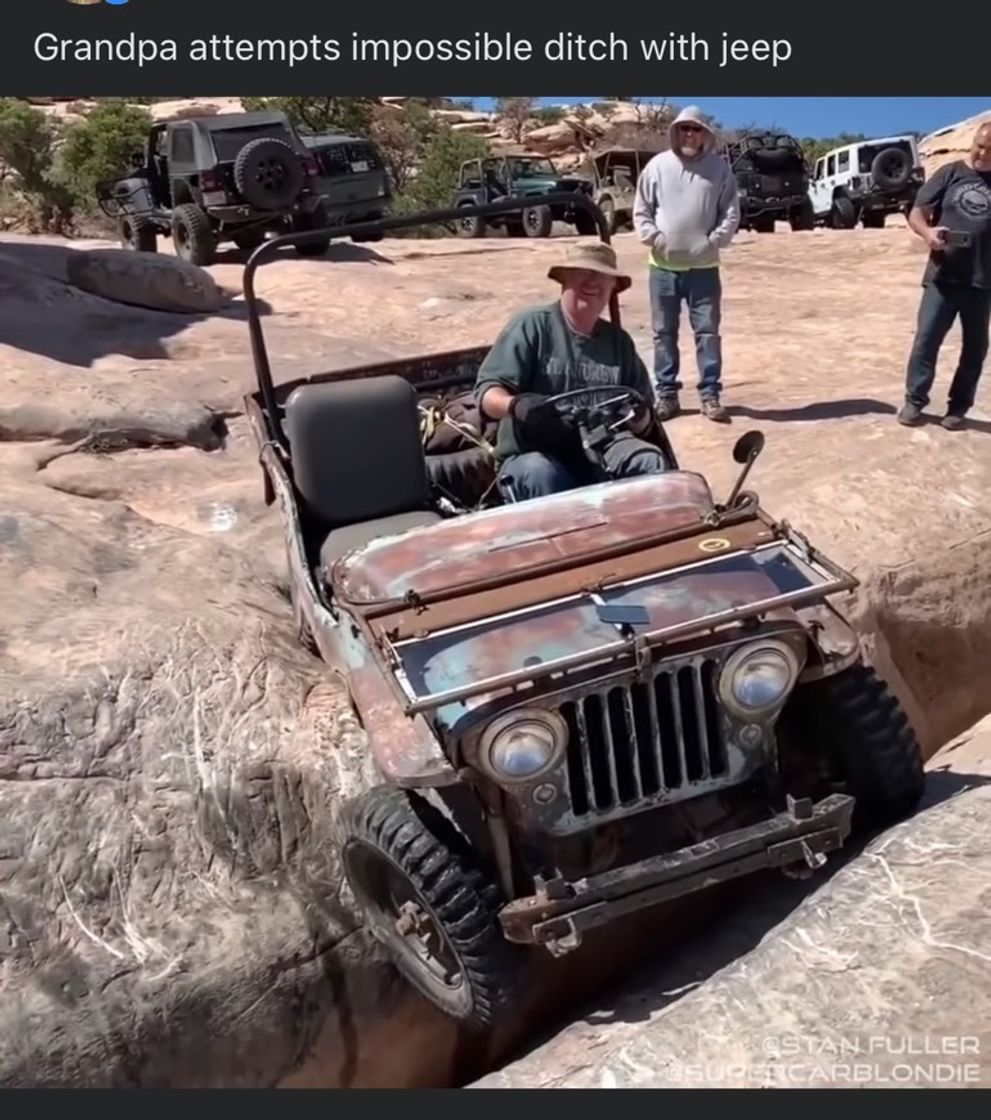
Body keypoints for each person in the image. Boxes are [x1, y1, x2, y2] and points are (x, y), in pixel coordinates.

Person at [474, 241, 668, 500]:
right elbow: (486, 393)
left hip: (603, 447)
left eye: (601, 276)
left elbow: (644, 418)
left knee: (649, 460)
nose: (592, 282)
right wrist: (516, 406)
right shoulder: (532, 326)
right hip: (535, 452)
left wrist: (639, 415)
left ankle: (647, 538)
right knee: (541, 474)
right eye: (583, 273)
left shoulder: (618, 342)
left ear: (613, 287)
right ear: (563, 279)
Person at [632, 105, 740, 423]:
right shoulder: (657, 167)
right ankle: (667, 396)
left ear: (705, 134)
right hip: (662, 267)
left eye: (695, 129)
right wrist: (656, 239)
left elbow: (730, 212)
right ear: (675, 132)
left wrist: (713, 242)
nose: (689, 135)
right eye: (683, 129)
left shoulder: (720, 170)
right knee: (663, 333)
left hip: (704, 269)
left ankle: (710, 396)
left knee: (707, 333)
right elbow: (642, 209)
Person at [898, 121, 991, 430]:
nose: (982, 154)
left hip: (983, 280)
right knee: (927, 339)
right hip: (943, 275)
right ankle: (915, 401)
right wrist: (928, 233)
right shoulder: (950, 173)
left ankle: (959, 407)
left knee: (975, 347)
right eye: (979, 146)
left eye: (990, 150)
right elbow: (917, 212)